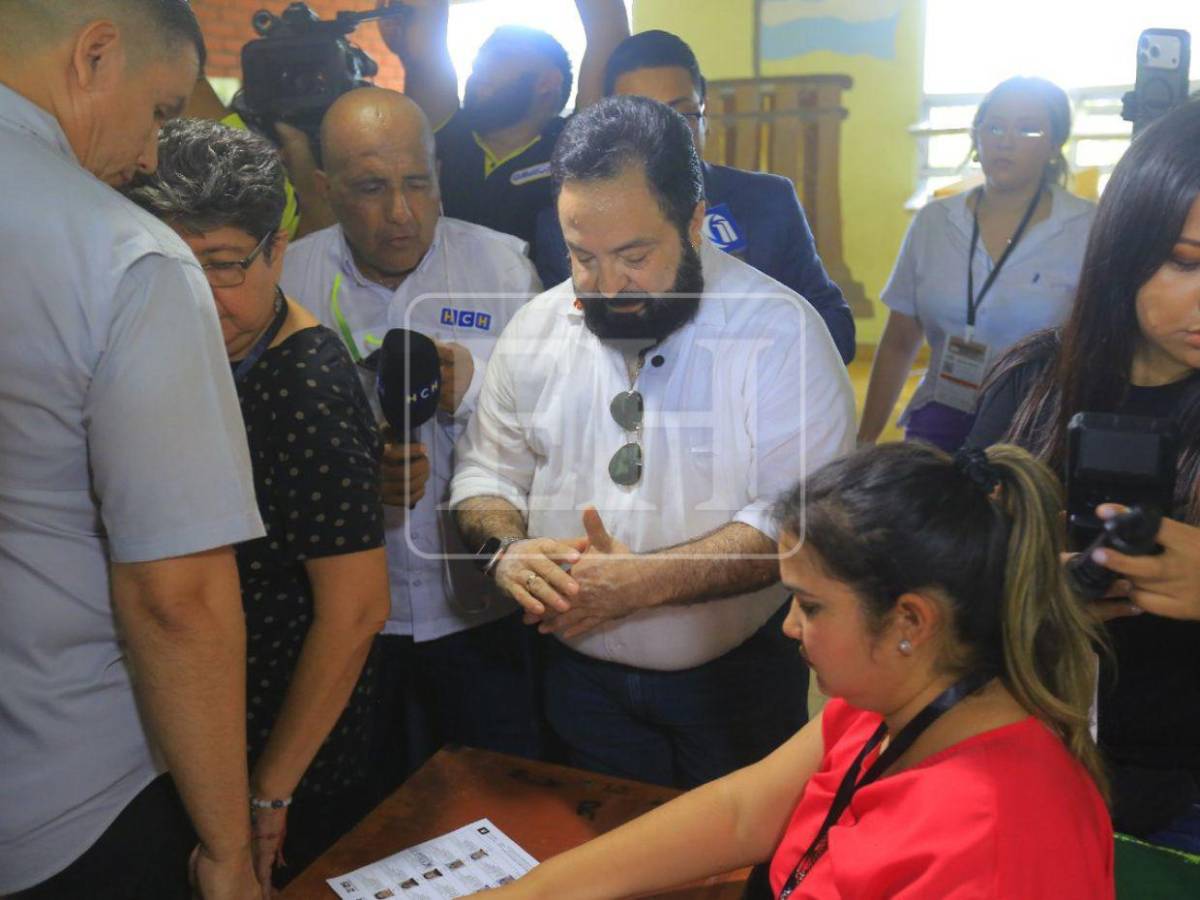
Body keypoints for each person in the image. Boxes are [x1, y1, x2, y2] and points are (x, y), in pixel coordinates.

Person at [483, 443, 1115, 900]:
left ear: (910, 621)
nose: (789, 627)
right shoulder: (889, 703)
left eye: (810, 607)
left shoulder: (998, 840)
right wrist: (530, 891)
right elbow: (739, 812)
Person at [450, 96, 855, 789]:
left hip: (733, 686)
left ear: (695, 223)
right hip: (576, 683)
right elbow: (485, 473)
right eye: (583, 257)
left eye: (634, 256)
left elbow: (798, 519)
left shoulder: (780, 334)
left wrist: (647, 583)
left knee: (734, 855)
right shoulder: (537, 329)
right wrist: (507, 551)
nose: (607, 287)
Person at [0, 3, 265, 898]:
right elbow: (175, 596)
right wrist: (227, 847)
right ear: (95, 55)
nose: (152, 156)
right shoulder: (124, 256)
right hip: (73, 796)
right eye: (158, 112)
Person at [126, 118, 393, 890]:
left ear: (279, 249)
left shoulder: (304, 387)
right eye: (174, 266)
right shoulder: (190, 350)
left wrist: (269, 791)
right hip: (199, 733)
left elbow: (356, 610)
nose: (199, 296)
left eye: (223, 266)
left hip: (284, 752)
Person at [280, 87, 544, 796]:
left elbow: (555, 430)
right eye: (371, 189)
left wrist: (476, 389)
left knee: (498, 806)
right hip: (349, 625)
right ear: (327, 188)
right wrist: (349, 482)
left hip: (482, 612)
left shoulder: (506, 271)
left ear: (439, 175)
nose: (400, 213)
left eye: (417, 184)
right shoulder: (288, 282)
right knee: (362, 818)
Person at [965, 97, 1200, 847]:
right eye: (1186, 262)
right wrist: (1031, 589)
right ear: (1125, 243)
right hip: (1024, 757)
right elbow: (950, 572)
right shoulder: (1031, 381)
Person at [532, 29, 856, 363]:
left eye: (681, 115)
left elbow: (835, 330)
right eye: (638, 118)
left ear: (705, 113)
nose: (662, 136)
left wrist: (749, 347)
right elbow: (571, 348)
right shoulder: (566, 227)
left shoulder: (768, 201)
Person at [858, 76, 1095, 452]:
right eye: (995, 126)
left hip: (1034, 426)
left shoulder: (1087, 227)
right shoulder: (934, 221)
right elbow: (899, 342)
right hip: (940, 412)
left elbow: (1100, 346)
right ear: (976, 137)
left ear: (1054, 145)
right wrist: (865, 440)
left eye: (1028, 129)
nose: (1006, 141)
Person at [374, 0, 629, 259]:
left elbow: (607, 27)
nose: (480, 65)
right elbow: (424, 34)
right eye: (481, 56)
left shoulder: (575, 147)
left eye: (501, 55)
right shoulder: (446, 128)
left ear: (547, 81)